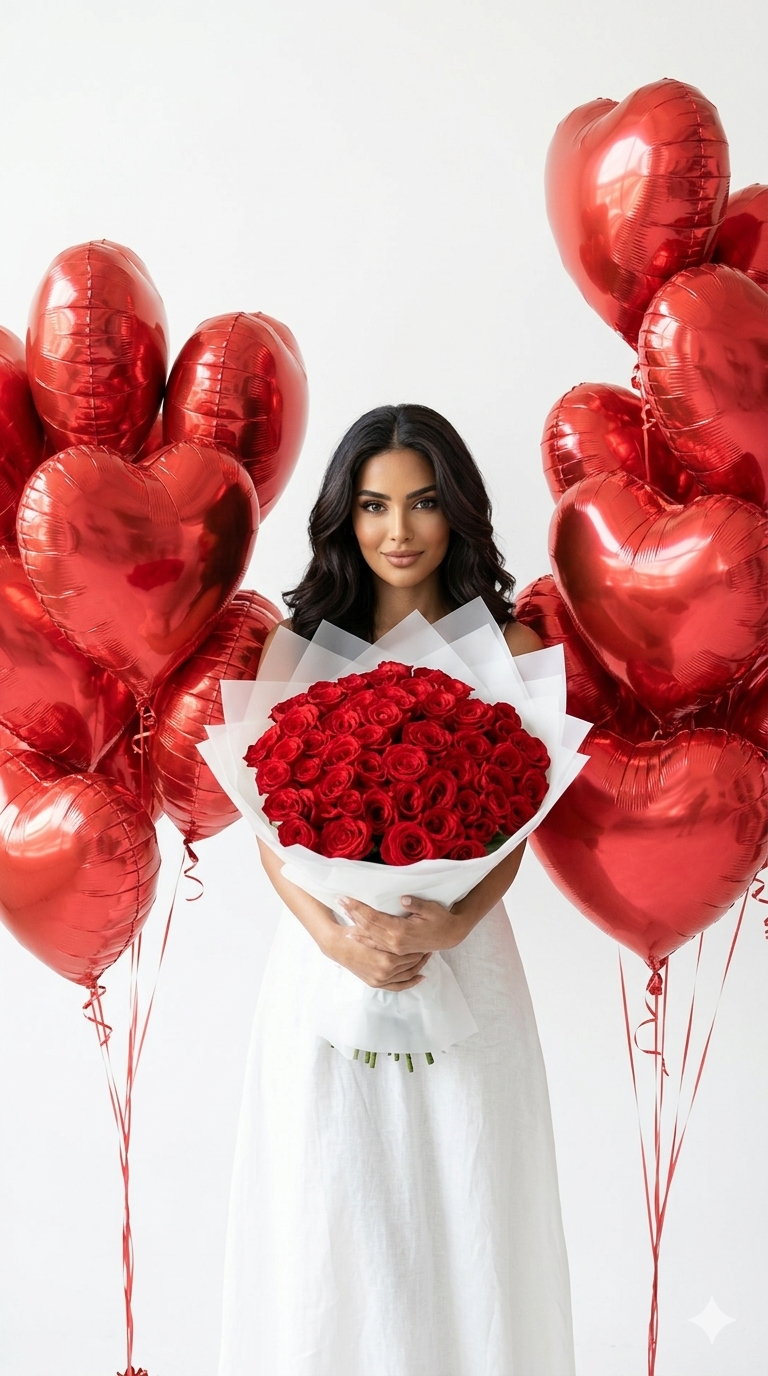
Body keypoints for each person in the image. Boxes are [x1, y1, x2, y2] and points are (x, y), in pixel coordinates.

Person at [218, 404, 576, 1375]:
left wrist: (455, 915)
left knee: (472, 1204)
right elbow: (270, 837)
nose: (400, 529)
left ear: (457, 510)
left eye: (423, 502)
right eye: (374, 504)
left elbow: (519, 816)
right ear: (345, 516)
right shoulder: (299, 648)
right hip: (321, 970)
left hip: (468, 965)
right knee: (335, 1218)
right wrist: (339, 940)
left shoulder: (512, 642)